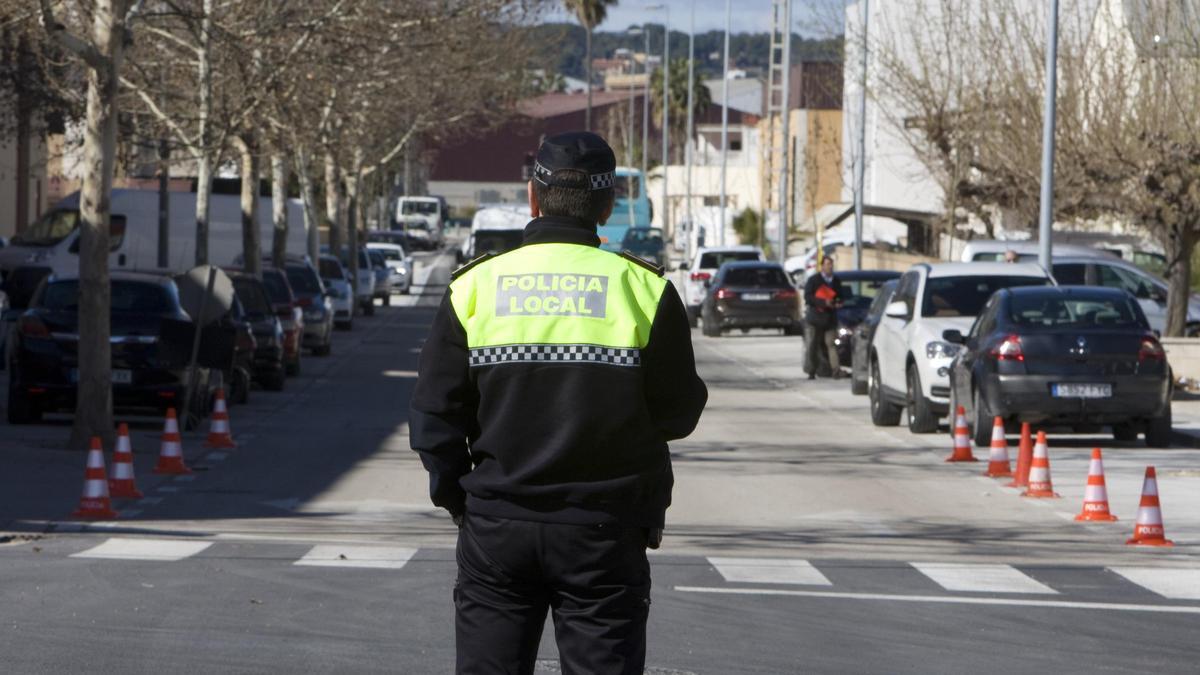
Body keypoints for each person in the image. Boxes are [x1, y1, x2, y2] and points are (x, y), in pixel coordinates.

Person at [410, 131, 708, 675]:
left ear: (532, 196)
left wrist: (461, 500)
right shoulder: (644, 290)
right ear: (609, 203)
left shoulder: (475, 287)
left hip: (497, 525)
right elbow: (679, 414)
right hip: (604, 530)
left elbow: (435, 415)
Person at [803, 255, 845, 379]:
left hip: (829, 318)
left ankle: (836, 370)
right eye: (827, 264)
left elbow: (840, 296)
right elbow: (808, 297)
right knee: (812, 345)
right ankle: (811, 370)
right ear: (822, 266)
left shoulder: (836, 281)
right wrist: (822, 302)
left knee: (831, 344)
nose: (829, 267)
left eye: (831, 264)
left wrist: (838, 302)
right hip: (815, 318)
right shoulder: (814, 280)